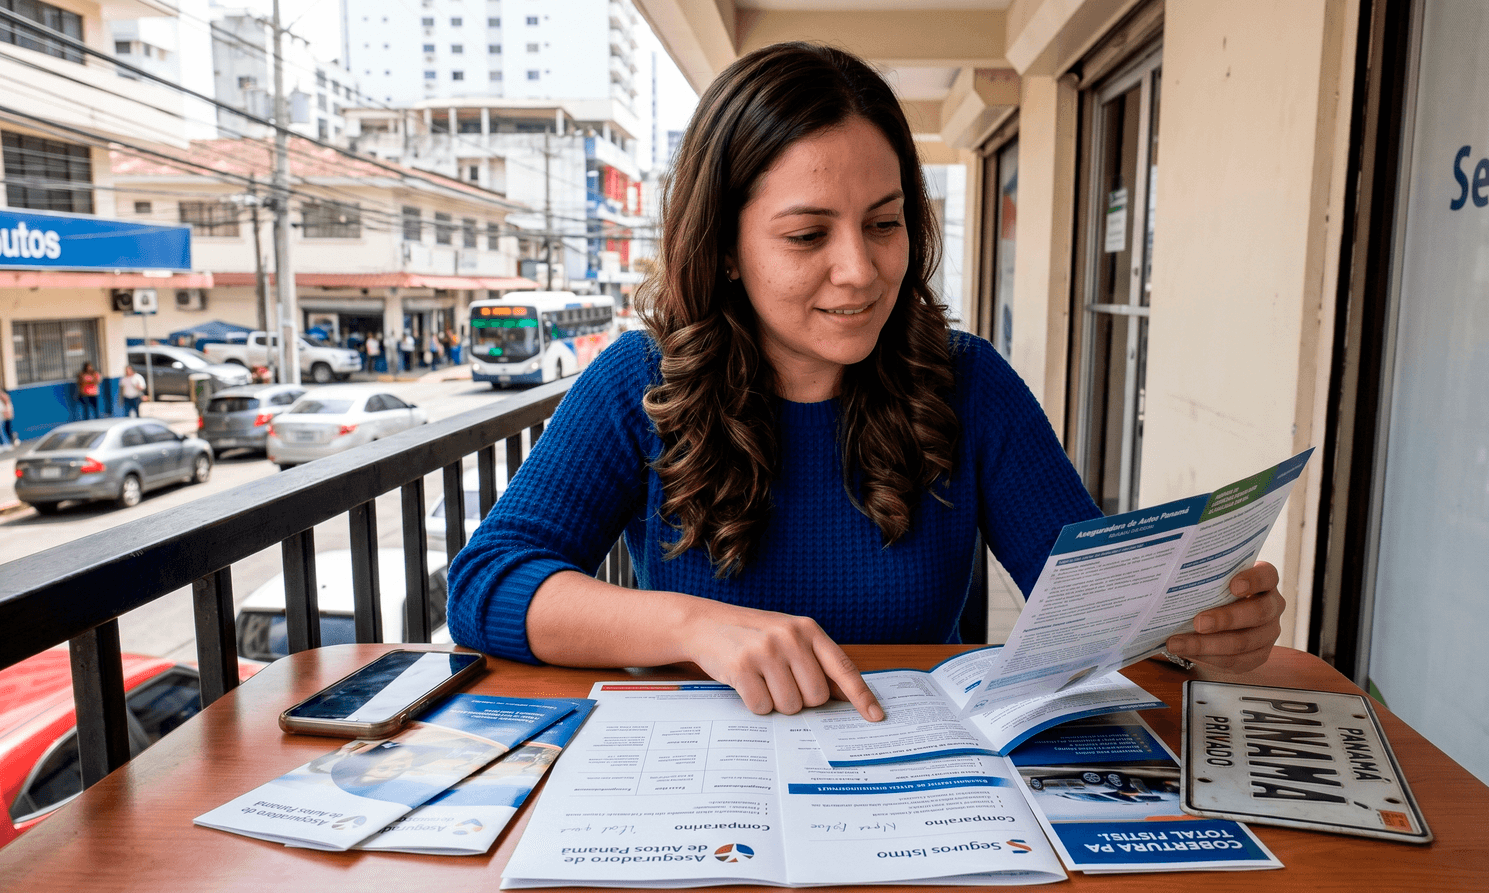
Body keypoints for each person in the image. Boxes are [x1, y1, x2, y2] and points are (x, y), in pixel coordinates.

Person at [447, 42, 1285, 724]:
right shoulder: (640, 382)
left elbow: (1094, 607)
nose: (861, 271)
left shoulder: (968, 382)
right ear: (727, 249)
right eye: (808, 235)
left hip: (922, 794)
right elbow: (486, 585)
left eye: (884, 224)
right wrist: (693, 625)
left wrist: (1193, 629)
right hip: (707, 799)